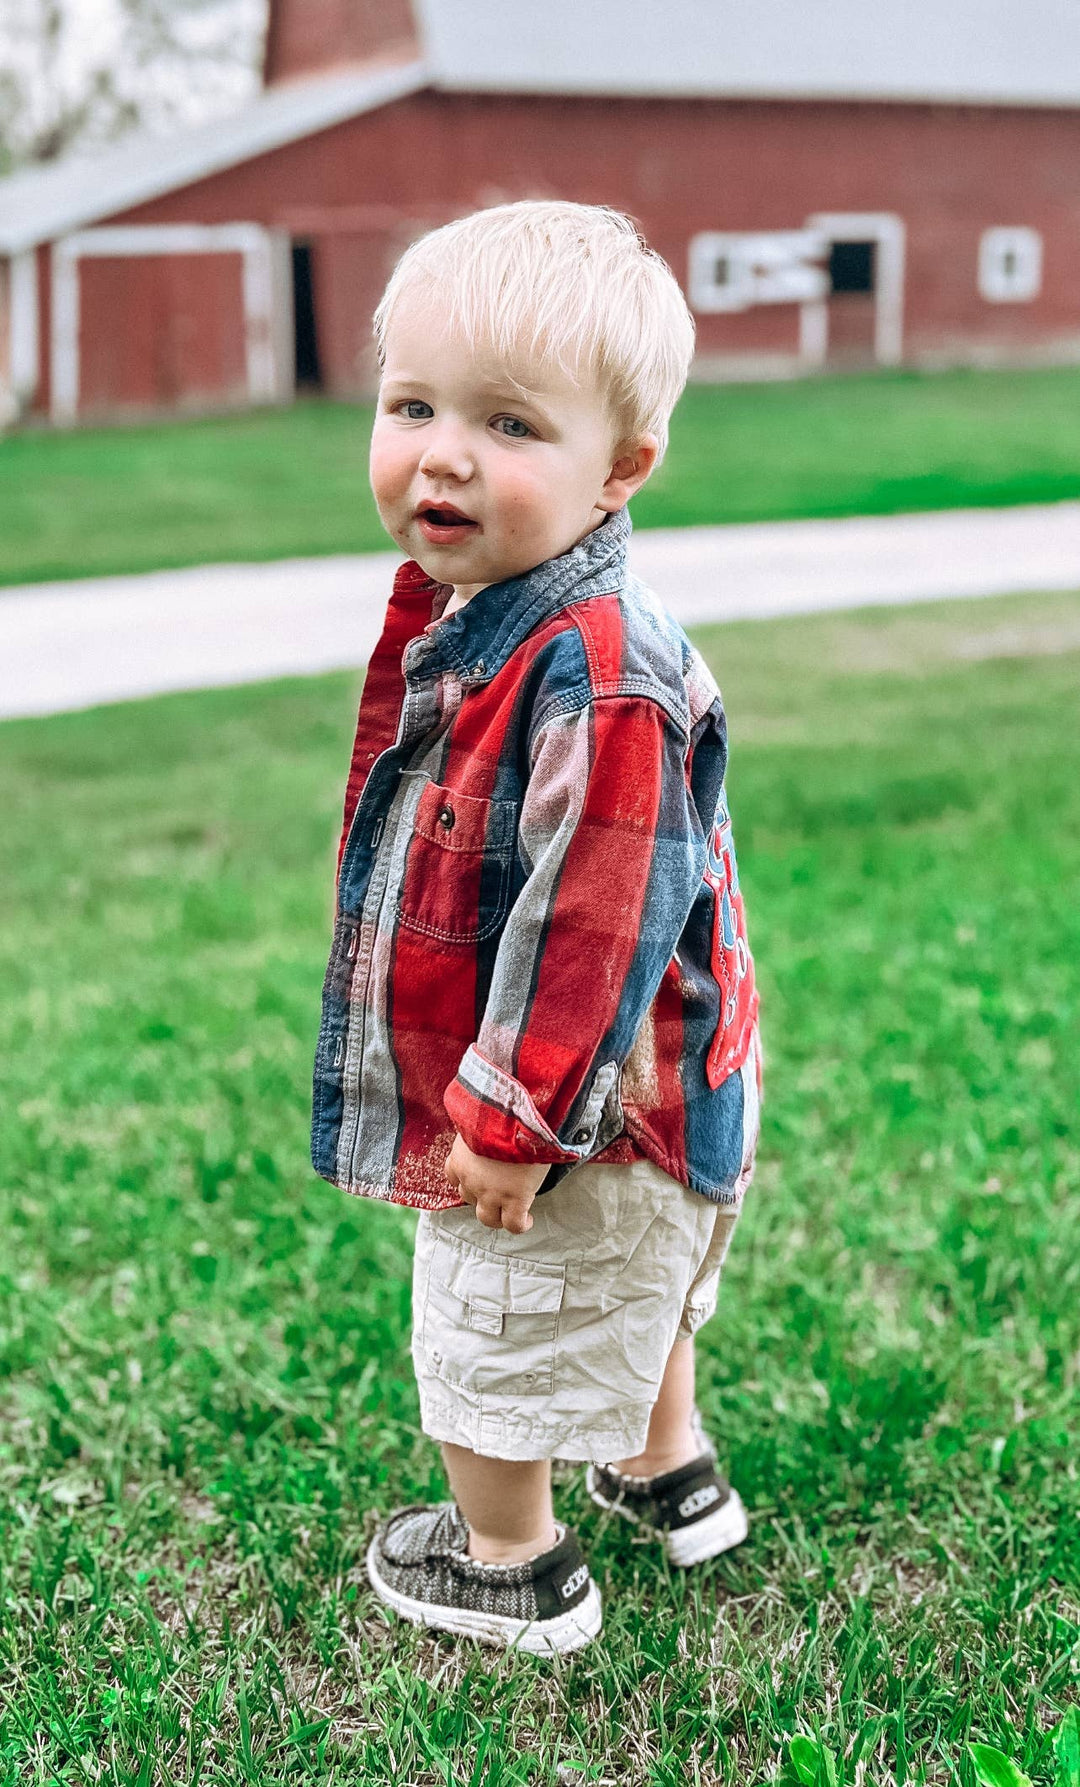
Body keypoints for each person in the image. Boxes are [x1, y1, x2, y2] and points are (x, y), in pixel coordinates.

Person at [310, 200, 761, 1655]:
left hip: (582, 1113)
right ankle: (664, 1472)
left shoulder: (601, 672)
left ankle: (512, 1562)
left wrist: (508, 1117)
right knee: (634, 1299)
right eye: (414, 404)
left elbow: (595, 918)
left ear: (621, 471)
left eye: (508, 424)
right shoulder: (499, 611)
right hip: (653, 1103)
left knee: (497, 1318)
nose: (442, 450)